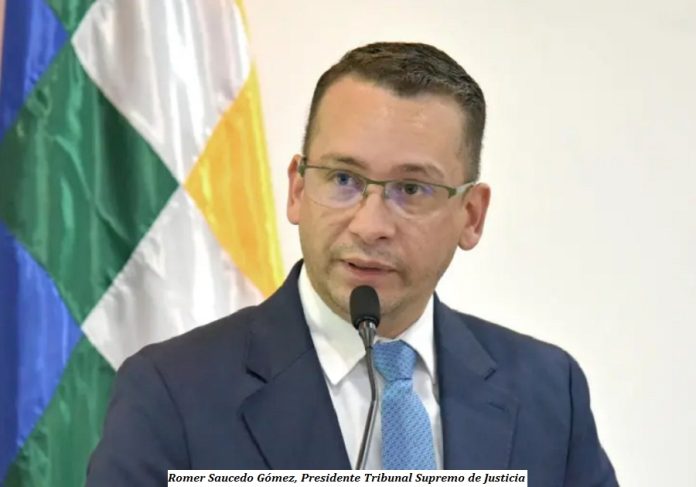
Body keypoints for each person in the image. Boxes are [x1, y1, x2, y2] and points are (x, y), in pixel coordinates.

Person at [86, 42, 618, 485]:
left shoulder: (549, 391)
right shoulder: (173, 393)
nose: (370, 224)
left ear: (471, 216)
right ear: (297, 190)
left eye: (412, 189)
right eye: (344, 179)